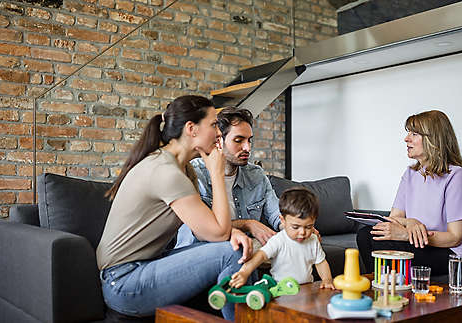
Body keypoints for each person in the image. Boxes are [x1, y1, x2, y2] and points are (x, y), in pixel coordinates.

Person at [96, 95, 252, 320]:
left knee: (237, 248)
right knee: (232, 254)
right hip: (123, 282)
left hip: (145, 267)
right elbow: (218, 233)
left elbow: (204, 230)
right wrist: (216, 173)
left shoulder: (183, 169)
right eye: (214, 125)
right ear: (192, 129)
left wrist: (234, 233)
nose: (219, 133)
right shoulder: (166, 172)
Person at [356, 110, 462, 279]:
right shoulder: (410, 174)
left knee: (385, 247)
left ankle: (392, 289)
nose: (406, 139)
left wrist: (406, 235)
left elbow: (454, 238)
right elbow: (394, 218)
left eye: (414, 133)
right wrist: (411, 222)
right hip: (425, 245)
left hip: (458, 253)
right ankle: (384, 287)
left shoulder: (456, 176)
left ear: (433, 139)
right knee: (367, 234)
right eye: (408, 133)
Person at [176, 107, 282, 249]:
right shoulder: (194, 174)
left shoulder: (256, 175)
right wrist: (248, 224)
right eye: (239, 140)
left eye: (249, 141)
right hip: (198, 250)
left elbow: (277, 213)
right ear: (218, 141)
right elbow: (205, 229)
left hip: (242, 246)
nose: (247, 148)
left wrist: (296, 227)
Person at [229, 187, 335, 290]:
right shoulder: (279, 240)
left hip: (305, 289)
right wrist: (244, 272)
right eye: (295, 227)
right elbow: (260, 256)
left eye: (308, 227)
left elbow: (321, 262)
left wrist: (327, 280)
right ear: (283, 220)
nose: (302, 232)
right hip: (280, 289)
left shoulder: (313, 240)